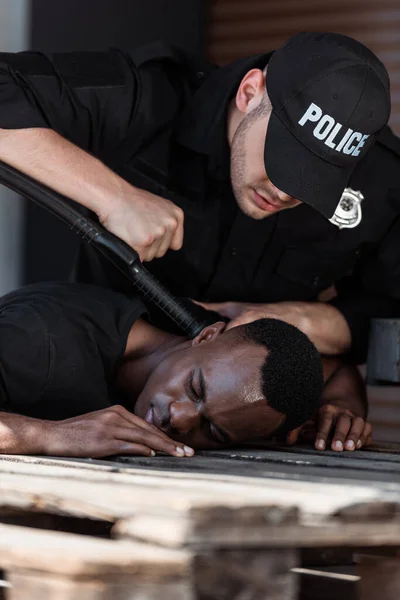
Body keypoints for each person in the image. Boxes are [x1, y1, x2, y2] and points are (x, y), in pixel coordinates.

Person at [0, 32, 399, 361]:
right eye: (282, 160)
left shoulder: (384, 181)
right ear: (250, 93)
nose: (282, 191)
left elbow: (387, 319)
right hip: (98, 377)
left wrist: (300, 321)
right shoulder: (149, 97)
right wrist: (114, 196)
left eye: (315, 178)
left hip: (251, 423)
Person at [0, 282, 370, 458]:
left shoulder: (247, 362)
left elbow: (337, 371)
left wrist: (338, 408)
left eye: (211, 430)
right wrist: (48, 434)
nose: (179, 420)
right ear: (206, 335)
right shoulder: (39, 338)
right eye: (195, 388)